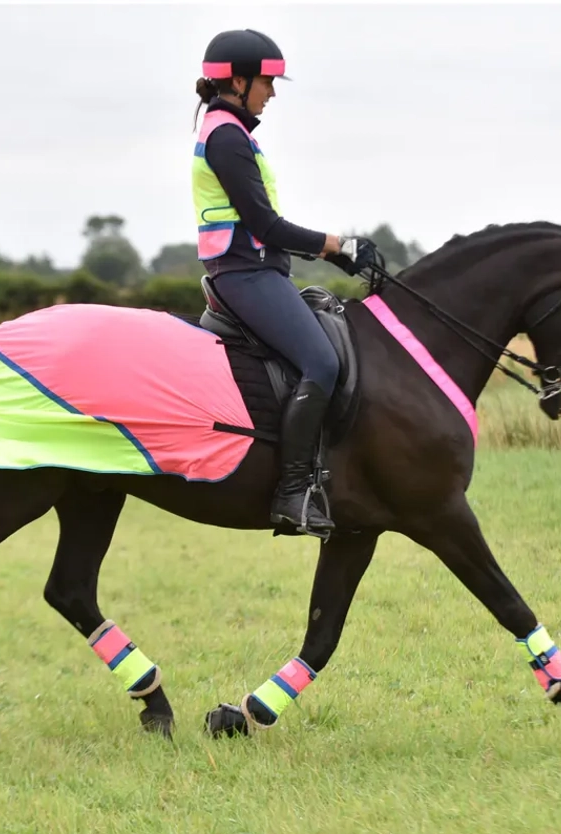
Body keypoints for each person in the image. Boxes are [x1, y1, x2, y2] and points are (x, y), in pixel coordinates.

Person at [191, 28, 383, 536]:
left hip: (256, 270)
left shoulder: (232, 130)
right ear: (237, 80)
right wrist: (338, 245)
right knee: (321, 360)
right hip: (244, 274)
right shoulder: (227, 137)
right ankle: (294, 491)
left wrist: (332, 256)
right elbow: (266, 227)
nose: (271, 93)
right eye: (267, 82)